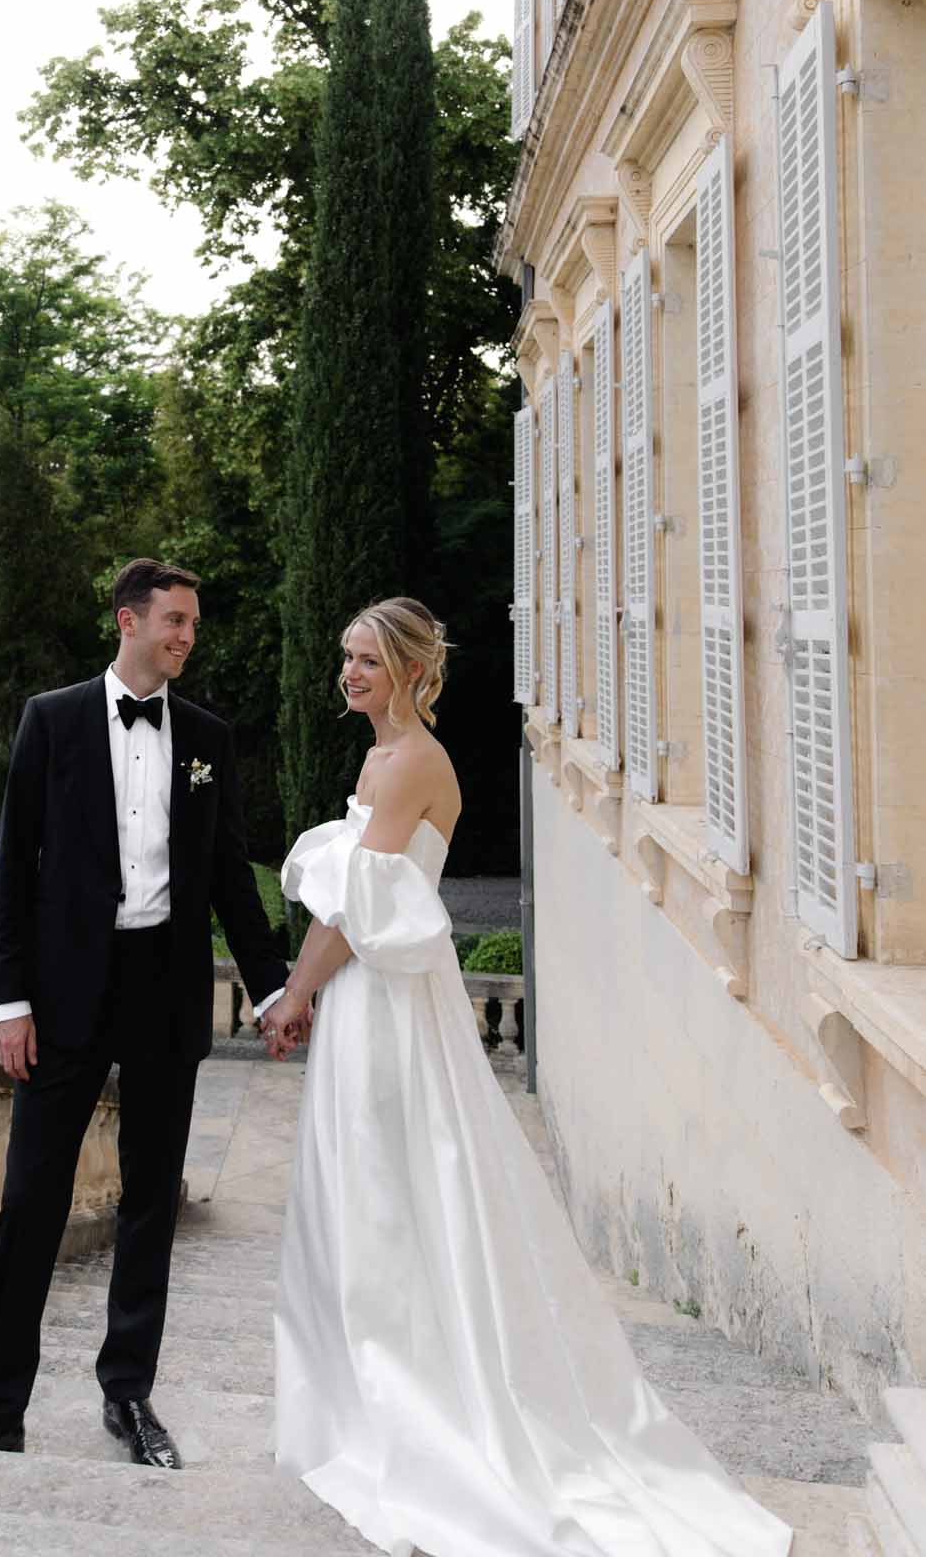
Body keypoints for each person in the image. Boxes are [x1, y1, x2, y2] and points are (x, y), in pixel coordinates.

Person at [261, 596, 792, 1557]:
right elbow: (348, 901)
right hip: (367, 1003)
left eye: (368, 661)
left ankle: (413, 1392)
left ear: (415, 670)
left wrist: (294, 993)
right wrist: (308, 992)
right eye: (345, 657)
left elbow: (353, 915)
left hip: (388, 1008)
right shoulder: (378, 757)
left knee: (395, 1189)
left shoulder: (415, 761)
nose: (350, 674)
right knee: (362, 1187)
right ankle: (364, 1383)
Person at [0, 557, 292, 1467]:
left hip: (162, 990)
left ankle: (129, 1396)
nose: (186, 636)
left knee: (150, 1205)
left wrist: (271, 988)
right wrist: (7, 1001)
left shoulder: (208, 739)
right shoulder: (52, 719)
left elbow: (229, 875)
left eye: (192, 624)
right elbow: (10, 872)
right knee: (30, 1205)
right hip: (62, 994)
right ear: (127, 621)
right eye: (174, 621)